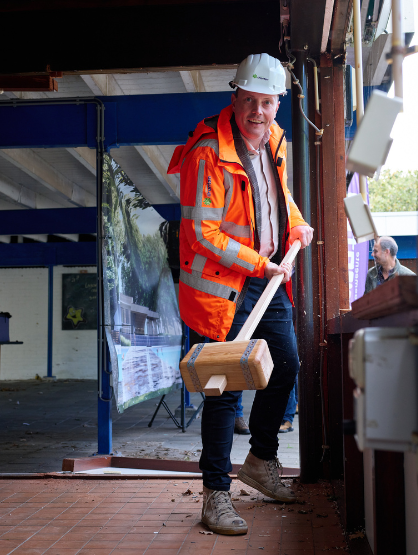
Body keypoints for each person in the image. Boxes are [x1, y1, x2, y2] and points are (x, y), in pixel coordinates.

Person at [167, 53, 314, 536]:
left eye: (267, 102)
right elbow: (203, 234)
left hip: (268, 281)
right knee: (224, 388)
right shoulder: (206, 152)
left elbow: (278, 196)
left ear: (277, 103)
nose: (258, 111)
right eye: (249, 100)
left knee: (286, 364)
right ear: (235, 98)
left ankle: (261, 460)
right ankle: (215, 496)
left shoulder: (274, 139)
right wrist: (260, 263)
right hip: (223, 288)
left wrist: (296, 224)